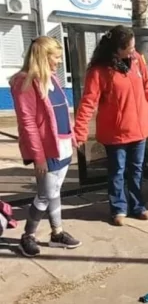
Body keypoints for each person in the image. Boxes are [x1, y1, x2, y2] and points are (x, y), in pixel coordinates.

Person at [75, 26, 148, 226]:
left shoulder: (137, 61)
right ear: (116, 49)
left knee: (137, 170)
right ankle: (118, 208)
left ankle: (138, 206)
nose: (133, 51)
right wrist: (80, 131)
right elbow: (88, 103)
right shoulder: (99, 70)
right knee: (117, 171)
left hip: (141, 129)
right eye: (129, 47)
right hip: (115, 133)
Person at [10, 36, 82, 256]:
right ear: (43, 56)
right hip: (47, 149)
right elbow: (28, 123)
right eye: (56, 57)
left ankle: (57, 233)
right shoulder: (25, 83)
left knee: (54, 191)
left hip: (62, 145)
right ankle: (28, 236)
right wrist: (38, 155)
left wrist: (72, 135)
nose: (59, 62)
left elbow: (61, 109)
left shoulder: (52, 78)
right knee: (44, 194)